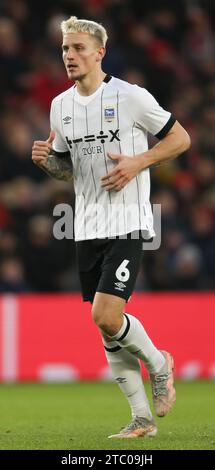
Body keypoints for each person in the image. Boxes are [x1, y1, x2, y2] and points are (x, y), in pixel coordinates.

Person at [32, 16, 190, 439]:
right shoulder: (60, 106)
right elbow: (70, 171)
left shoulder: (130, 97)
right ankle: (141, 419)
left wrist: (139, 161)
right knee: (105, 325)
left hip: (128, 221)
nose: (69, 55)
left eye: (78, 48)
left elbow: (180, 140)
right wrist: (48, 161)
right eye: (66, 48)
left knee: (106, 315)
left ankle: (160, 365)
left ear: (99, 52)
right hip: (85, 224)